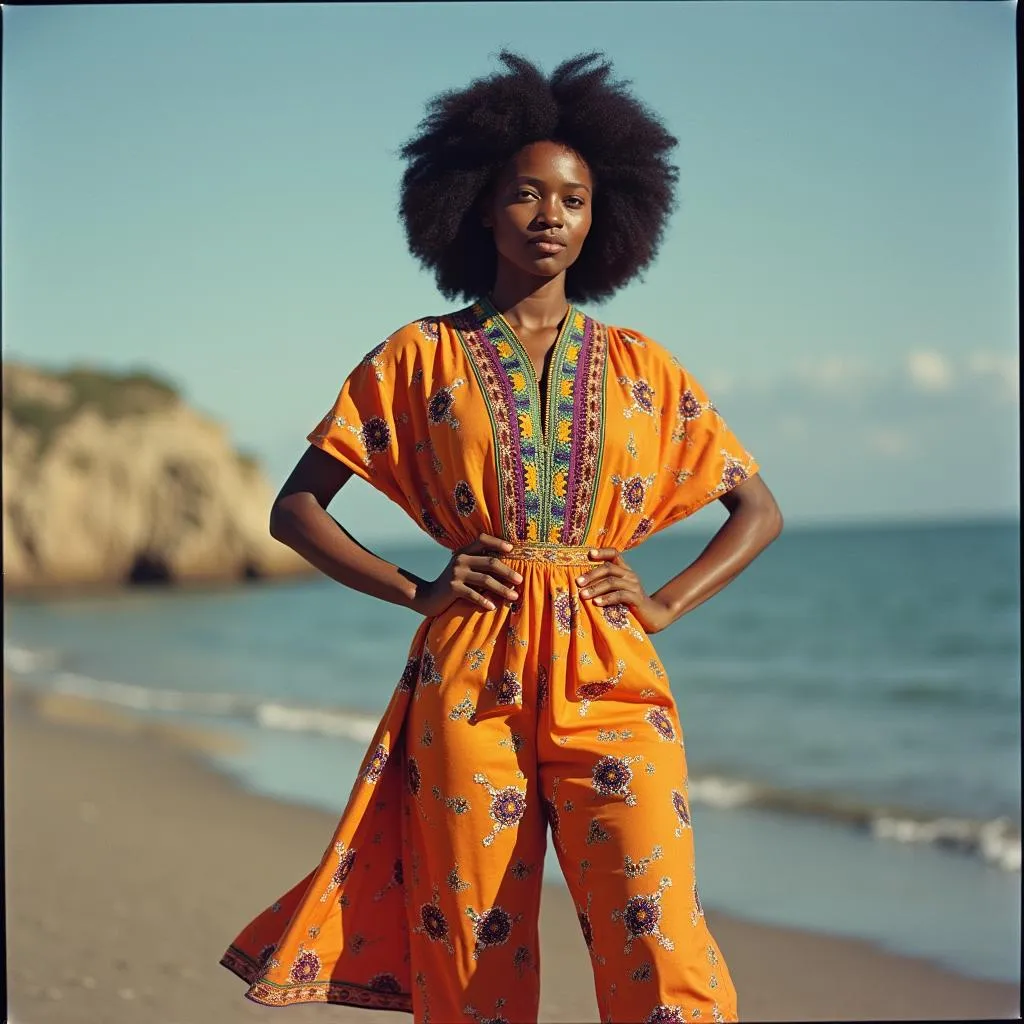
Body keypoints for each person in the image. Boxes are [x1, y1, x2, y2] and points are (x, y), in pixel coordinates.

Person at [221, 51, 782, 1024]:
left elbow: (755, 507)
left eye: (573, 198)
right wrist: (416, 589)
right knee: (474, 950)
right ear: (481, 206)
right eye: (527, 194)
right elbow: (296, 507)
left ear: (603, 217)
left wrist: (663, 601)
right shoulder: (416, 356)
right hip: (469, 676)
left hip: (613, 672)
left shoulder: (643, 367)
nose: (551, 215)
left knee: (660, 938)